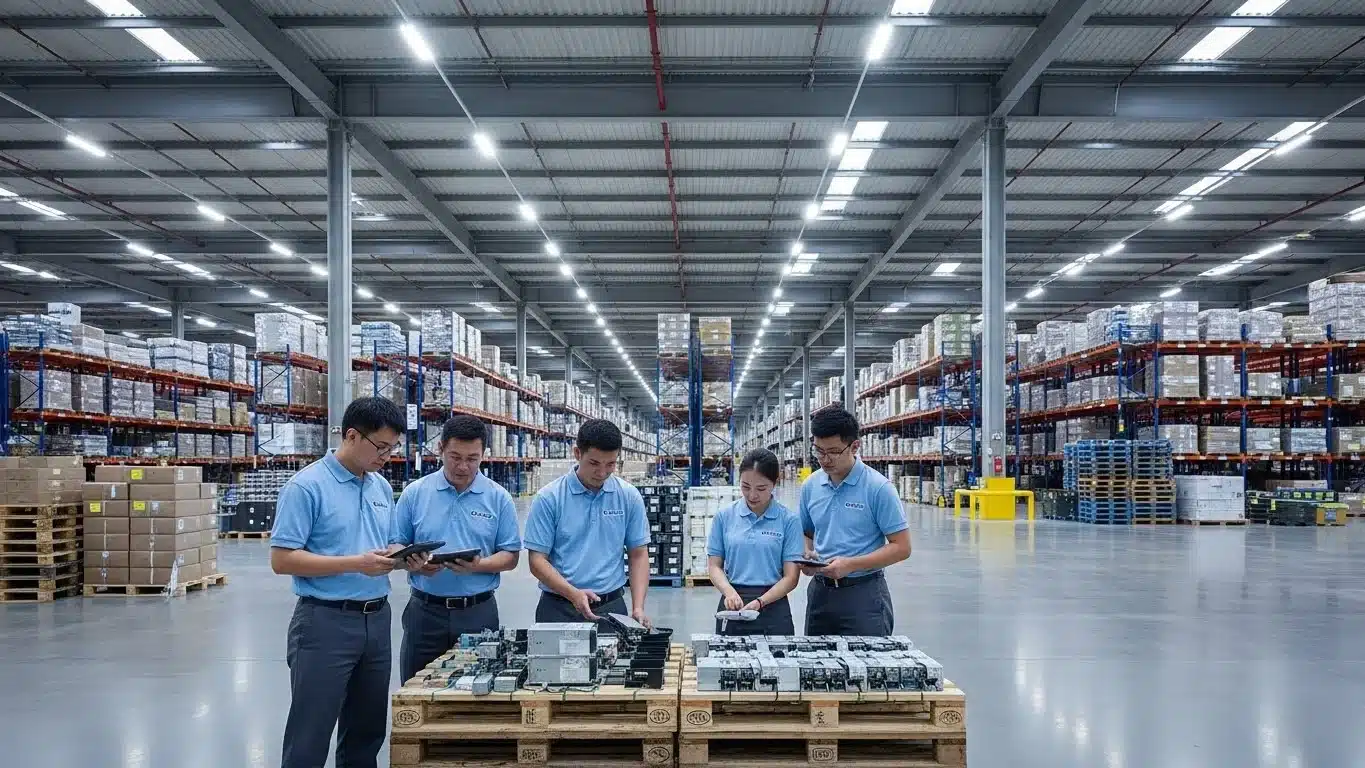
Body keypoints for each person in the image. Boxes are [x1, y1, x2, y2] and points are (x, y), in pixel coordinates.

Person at [269, 397, 423, 768]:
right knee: (311, 730)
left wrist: (404, 555)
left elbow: (385, 543)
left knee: (366, 730)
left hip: (376, 619)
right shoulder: (307, 487)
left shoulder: (380, 487)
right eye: (381, 447)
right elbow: (282, 559)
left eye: (393, 448)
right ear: (351, 435)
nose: (386, 456)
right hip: (325, 622)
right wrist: (356, 564)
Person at [390, 414, 521, 684]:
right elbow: (395, 545)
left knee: (477, 692)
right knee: (416, 690)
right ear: (440, 450)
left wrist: (478, 566)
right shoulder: (415, 493)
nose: (463, 466)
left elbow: (510, 557)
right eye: (455, 456)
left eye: (472, 458)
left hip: (478, 612)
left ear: (484, 454)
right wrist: (412, 563)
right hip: (425, 612)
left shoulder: (498, 498)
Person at [525, 418, 652, 630]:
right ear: (577, 454)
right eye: (594, 463)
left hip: (610, 607)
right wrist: (572, 593)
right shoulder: (549, 498)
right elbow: (537, 560)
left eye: (610, 464)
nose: (602, 473)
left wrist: (638, 606)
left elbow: (638, 553)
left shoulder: (628, 496)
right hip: (559, 608)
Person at [800, 407, 911, 636]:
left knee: (869, 668)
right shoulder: (810, 486)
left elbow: (902, 547)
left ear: (855, 446)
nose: (825, 460)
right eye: (819, 451)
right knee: (817, 667)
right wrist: (806, 555)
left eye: (833, 452)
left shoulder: (878, 488)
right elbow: (806, 533)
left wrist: (851, 564)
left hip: (864, 595)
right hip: (821, 594)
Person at [706, 448, 802, 635]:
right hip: (733, 605)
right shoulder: (724, 517)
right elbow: (714, 566)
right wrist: (729, 592)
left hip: (774, 605)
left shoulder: (788, 520)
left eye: (761, 488)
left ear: (775, 483)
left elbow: (791, 577)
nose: (752, 495)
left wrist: (761, 602)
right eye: (745, 486)